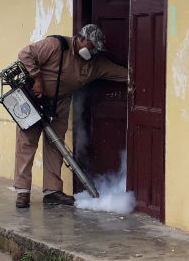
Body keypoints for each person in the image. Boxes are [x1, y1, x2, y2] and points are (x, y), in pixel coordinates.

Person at [14, 24, 128, 208]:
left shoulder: (94, 65)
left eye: (96, 50)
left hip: (60, 104)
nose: (92, 53)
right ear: (81, 39)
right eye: (91, 47)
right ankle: (22, 192)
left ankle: (52, 191)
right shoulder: (55, 45)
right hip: (35, 100)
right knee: (26, 144)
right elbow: (25, 54)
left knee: (56, 145)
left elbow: (118, 73)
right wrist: (37, 78)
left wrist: (141, 76)